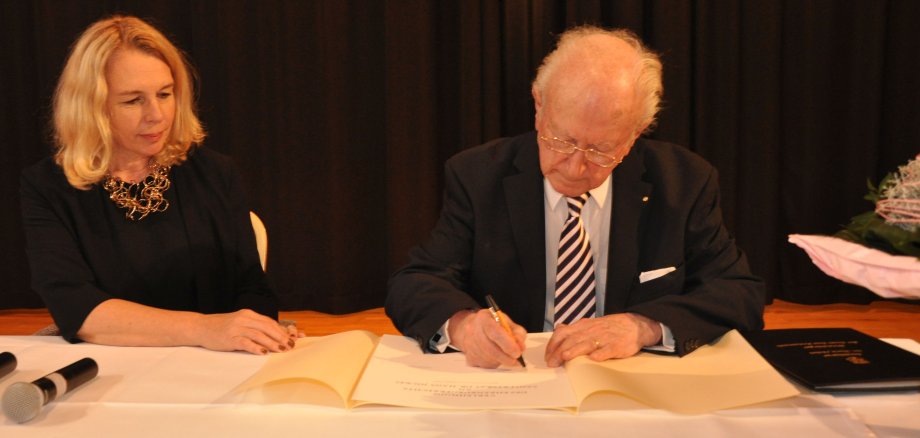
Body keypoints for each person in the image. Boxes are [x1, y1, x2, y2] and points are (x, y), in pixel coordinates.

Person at [386, 26, 766, 368]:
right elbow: (415, 282)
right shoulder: (478, 175)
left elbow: (739, 293)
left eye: (601, 150)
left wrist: (643, 327)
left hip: (628, 378)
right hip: (518, 376)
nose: (575, 166)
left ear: (635, 134)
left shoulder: (684, 182)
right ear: (539, 106)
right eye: (561, 140)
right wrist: (464, 326)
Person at [20, 15, 296, 355]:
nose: (157, 115)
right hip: (110, 361)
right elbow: (75, 307)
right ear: (91, 106)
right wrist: (203, 328)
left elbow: (253, 289)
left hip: (214, 360)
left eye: (165, 94)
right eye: (133, 100)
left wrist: (246, 334)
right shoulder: (48, 187)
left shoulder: (215, 172)